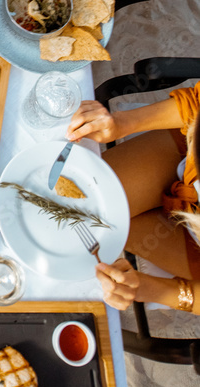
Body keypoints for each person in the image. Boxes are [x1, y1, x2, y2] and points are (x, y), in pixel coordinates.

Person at [67, 82, 200, 314]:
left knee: (89, 232)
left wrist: (146, 288)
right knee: (76, 204)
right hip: (187, 152)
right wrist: (121, 123)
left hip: (194, 248)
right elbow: (196, 104)